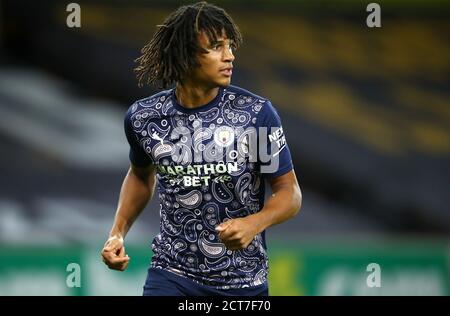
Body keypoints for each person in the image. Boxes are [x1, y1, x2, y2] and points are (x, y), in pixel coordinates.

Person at [101, 1, 302, 296]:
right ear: (185, 54)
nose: (230, 56)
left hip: (243, 284)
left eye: (230, 46)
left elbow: (289, 193)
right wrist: (116, 233)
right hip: (171, 273)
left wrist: (253, 224)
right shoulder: (144, 118)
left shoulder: (255, 115)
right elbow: (141, 176)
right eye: (216, 47)